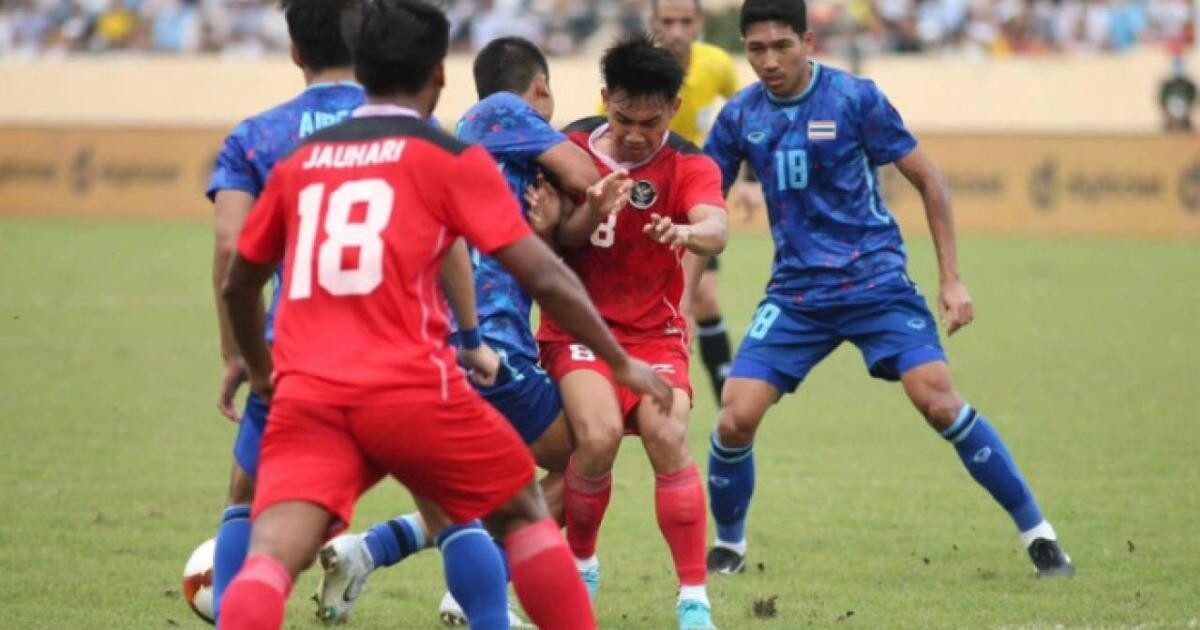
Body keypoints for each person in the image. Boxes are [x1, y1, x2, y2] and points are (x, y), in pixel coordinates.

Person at [216, 2, 675, 629]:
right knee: (520, 513)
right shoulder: (446, 157)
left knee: (270, 557)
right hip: (411, 386)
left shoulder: (301, 165)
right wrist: (619, 359)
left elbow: (238, 279)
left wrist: (257, 366)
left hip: (310, 391)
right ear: (436, 75)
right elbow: (541, 272)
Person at [701, 0, 1074, 579]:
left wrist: (950, 278)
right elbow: (702, 208)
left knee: (939, 401)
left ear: (807, 41)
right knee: (733, 420)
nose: (769, 61)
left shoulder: (855, 98)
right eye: (756, 49)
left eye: (781, 46)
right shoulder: (739, 117)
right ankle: (728, 546)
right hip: (796, 295)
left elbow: (930, 180)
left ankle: (1039, 534)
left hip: (876, 284)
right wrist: (679, 298)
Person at [312, 35, 617, 627]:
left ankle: (366, 550)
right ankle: (478, 589)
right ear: (540, 91)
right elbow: (586, 174)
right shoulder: (503, 111)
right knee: (582, 453)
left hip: (444, 342)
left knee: (478, 487)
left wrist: (560, 223)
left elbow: (556, 230)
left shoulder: (488, 153)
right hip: (488, 345)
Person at [541, 32, 729, 630]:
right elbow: (562, 236)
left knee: (667, 433)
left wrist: (689, 236)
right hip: (579, 330)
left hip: (653, 336)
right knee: (594, 440)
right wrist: (592, 208)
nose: (635, 134)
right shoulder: (570, 148)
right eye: (623, 118)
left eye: (650, 122)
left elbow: (716, 224)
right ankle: (583, 562)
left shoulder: (690, 164)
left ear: (674, 110)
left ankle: (693, 597)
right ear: (605, 99)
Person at [205, 0, 363, 619]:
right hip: (400, 348)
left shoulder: (258, 136)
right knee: (452, 500)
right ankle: (480, 606)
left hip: (294, 353)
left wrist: (238, 352)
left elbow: (230, 246)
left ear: (295, 51)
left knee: (249, 493)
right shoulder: (401, 126)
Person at [649, 0, 741, 401]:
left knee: (702, 298)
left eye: (686, 21)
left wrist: (752, 180)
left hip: (692, 197)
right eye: (668, 21)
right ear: (654, 23)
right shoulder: (638, 71)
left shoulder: (716, 64)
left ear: (699, 22)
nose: (677, 31)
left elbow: (748, 117)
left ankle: (726, 395)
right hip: (647, 199)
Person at [1159, 55, 1196, 133]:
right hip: (1170, 118)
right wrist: (1169, 115)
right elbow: (1162, 101)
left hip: (1185, 118)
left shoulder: (1189, 86)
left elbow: (1193, 101)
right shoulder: (1167, 86)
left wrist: (1185, 115)